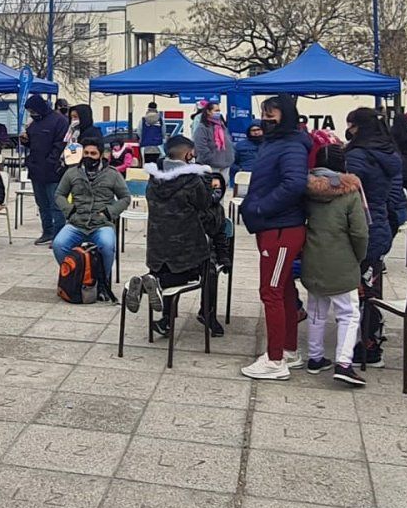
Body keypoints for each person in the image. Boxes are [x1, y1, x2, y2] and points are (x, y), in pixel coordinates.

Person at [125, 135, 229, 337]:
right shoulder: (194, 180)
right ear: (189, 155)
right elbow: (206, 205)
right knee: (208, 270)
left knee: (167, 271)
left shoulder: (154, 179)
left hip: (156, 251)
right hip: (188, 251)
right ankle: (207, 316)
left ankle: (163, 311)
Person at [238, 94, 311, 381]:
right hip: (271, 227)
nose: (266, 119)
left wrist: (259, 207)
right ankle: (289, 350)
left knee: (271, 292)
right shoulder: (275, 142)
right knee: (285, 290)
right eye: (264, 113)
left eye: (273, 114)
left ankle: (275, 360)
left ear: (286, 115)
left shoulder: (292, 144)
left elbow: (294, 184)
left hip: (281, 228)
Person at [301, 144, 370, 386]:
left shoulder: (306, 190)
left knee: (317, 311)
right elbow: (360, 233)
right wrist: (358, 259)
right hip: (342, 260)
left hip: (312, 257)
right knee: (349, 314)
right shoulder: (350, 193)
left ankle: (315, 357)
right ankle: (343, 362)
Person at [344, 107, 406, 366]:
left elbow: (351, 190)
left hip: (360, 228)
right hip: (381, 225)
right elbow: (394, 194)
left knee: (358, 289)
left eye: (351, 125)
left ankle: (363, 344)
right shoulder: (390, 153)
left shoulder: (358, 155)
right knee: (371, 285)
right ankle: (370, 340)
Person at [53, 136, 130, 298]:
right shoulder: (72, 172)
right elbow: (59, 194)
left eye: (93, 153)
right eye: (86, 153)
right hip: (77, 222)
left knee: (107, 245)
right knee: (59, 244)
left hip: (101, 224)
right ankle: (75, 274)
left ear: (101, 155)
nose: (88, 156)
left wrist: (109, 212)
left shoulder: (113, 174)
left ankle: (102, 282)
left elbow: (125, 198)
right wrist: (70, 211)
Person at [21, 95, 69, 245]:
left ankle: (59, 235)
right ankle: (47, 232)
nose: (31, 114)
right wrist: (25, 141)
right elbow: (33, 143)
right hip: (36, 169)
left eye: (32, 110)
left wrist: (51, 162)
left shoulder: (59, 121)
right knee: (42, 204)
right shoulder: (33, 124)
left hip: (53, 170)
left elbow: (60, 144)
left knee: (56, 204)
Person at [192, 101, 234, 183]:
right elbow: (200, 146)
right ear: (208, 111)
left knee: (223, 187)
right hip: (211, 164)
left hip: (225, 163)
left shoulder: (221, 125)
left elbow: (227, 140)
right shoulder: (202, 127)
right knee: (212, 188)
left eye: (219, 111)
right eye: (216, 110)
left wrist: (231, 155)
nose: (218, 113)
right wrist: (210, 158)